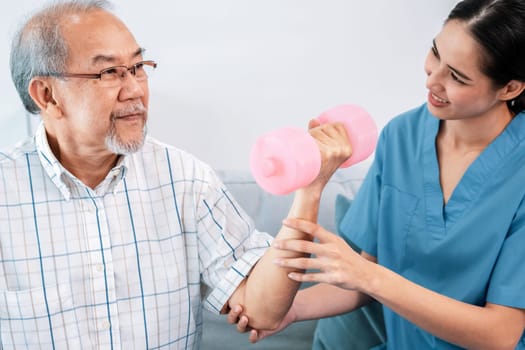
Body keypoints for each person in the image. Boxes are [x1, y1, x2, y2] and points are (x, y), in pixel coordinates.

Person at [0, 0, 352, 348]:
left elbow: (262, 311)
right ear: (46, 95)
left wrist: (310, 188)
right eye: (110, 72)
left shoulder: (186, 179)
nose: (136, 89)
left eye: (138, 67)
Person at [231, 0, 525, 348]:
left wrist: (368, 277)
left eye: (457, 76)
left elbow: (500, 334)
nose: (433, 79)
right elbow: (364, 276)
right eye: (435, 53)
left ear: (510, 89)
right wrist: (290, 310)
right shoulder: (401, 136)